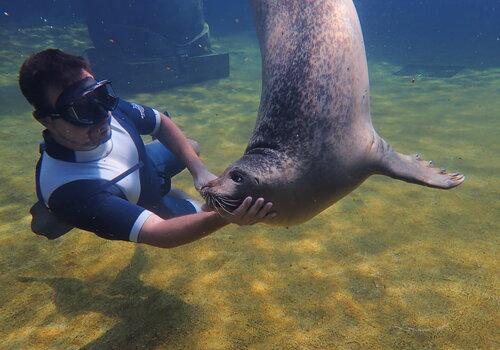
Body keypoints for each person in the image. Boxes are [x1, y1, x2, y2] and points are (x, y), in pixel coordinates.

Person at [19, 49, 276, 248]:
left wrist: (199, 171)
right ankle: (58, 217)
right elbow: (159, 234)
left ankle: (166, 183)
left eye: (99, 96)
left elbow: (162, 123)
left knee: (191, 147)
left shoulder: (110, 109)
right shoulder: (71, 191)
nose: (101, 117)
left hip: (143, 167)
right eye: (80, 110)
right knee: (207, 211)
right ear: (46, 120)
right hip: (143, 201)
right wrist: (225, 217)